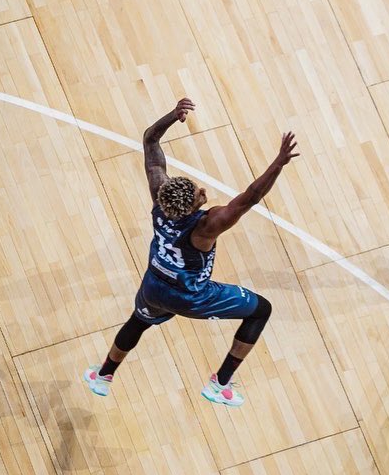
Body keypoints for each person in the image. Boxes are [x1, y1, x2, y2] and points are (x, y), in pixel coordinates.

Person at [84, 98, 299, 407]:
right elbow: (251, 196)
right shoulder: (206, 226)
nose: (202, 192)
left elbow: (150, 140)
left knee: (139, 320)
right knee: (261, 309)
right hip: (190, 296)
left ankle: (103, 376)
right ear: (192, 205)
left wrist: (173, 115)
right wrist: (278, 163)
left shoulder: (160, 199)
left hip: (154, 284)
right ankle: (220, 383)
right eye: (199, 193)